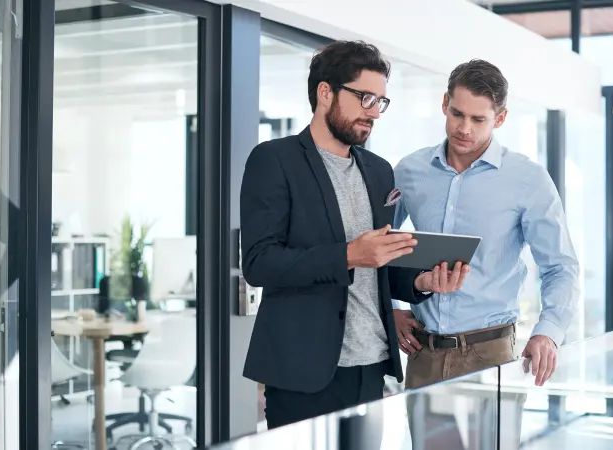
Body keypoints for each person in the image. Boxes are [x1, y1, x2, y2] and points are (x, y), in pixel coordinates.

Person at [240, 40, 469, 430]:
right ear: (325, 92)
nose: (374, 113)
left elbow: (377, 263)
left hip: (371, 366)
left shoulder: (379, 171)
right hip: (303, 372)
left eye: (380, 101)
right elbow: (260, 263)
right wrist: (347, 255)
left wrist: (420, 281)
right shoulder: (274, 160)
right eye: (365, 98)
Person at [392, 59, 580, 390]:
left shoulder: (528, 179)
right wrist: (390, 309)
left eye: (479, 119)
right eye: (457, 114)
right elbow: (379, 247)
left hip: (490, 354)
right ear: (444, 104)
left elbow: (560, 267)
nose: (465, 128)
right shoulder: (409, 171)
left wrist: (548, 332)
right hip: (423, 355)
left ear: (501, 118)